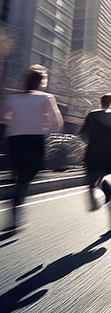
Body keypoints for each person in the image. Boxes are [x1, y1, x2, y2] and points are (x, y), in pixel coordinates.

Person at [0, 65, 63, 231]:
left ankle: (15, 204)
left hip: (14, 140)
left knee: (19, 172)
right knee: (28, 174)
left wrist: (16, 117)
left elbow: (3, 116)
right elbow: (56, 123)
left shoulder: (13, 99)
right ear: (41, 82)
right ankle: (17, 205)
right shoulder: (45, 98)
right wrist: (42, 121)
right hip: (34, 140)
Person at [80, 93, 111, 233]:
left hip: (93, 151)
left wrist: (91, 142)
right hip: (109, 153)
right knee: (106, 179)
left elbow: (83, 134)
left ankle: (98, 194)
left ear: (100, 101)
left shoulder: (92, 115)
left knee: (92, 181)